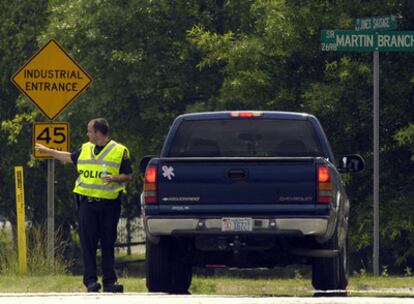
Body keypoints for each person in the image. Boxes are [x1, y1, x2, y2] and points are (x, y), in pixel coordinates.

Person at [35, 118, 132, 293]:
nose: (87, 134)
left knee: (108, 242)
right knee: (88, 243)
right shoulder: (85, 148)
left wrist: (114, 178)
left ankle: (110, 282)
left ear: (98, 133)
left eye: (89, 131)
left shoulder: (120, 150)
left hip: (109, 205)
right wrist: (48, 151)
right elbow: (68, 157)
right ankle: (91, 282)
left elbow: (128, 176)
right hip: (87, 204)